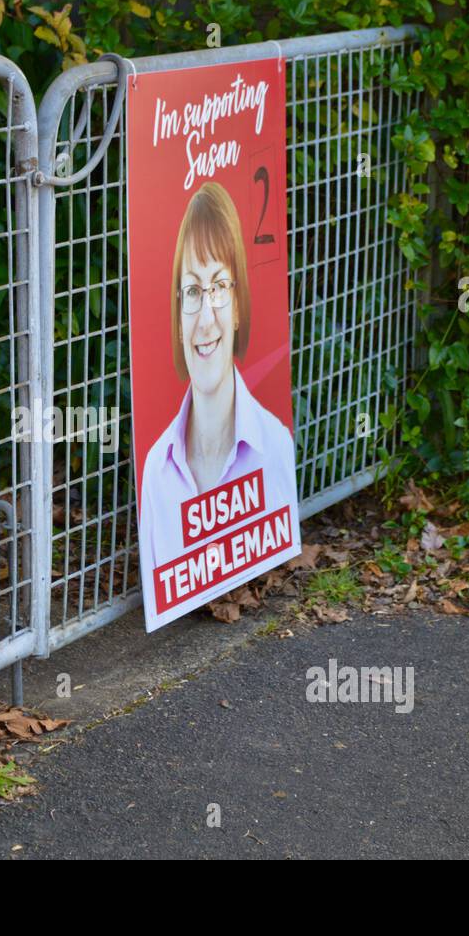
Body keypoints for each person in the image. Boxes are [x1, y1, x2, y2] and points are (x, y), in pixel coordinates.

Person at [138, 181, 298, 616]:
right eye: (192, 291)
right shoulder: (155, 472)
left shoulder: (274, 445)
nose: (206, 319)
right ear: (176, 314)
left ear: (240, 304)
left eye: (220, 287)